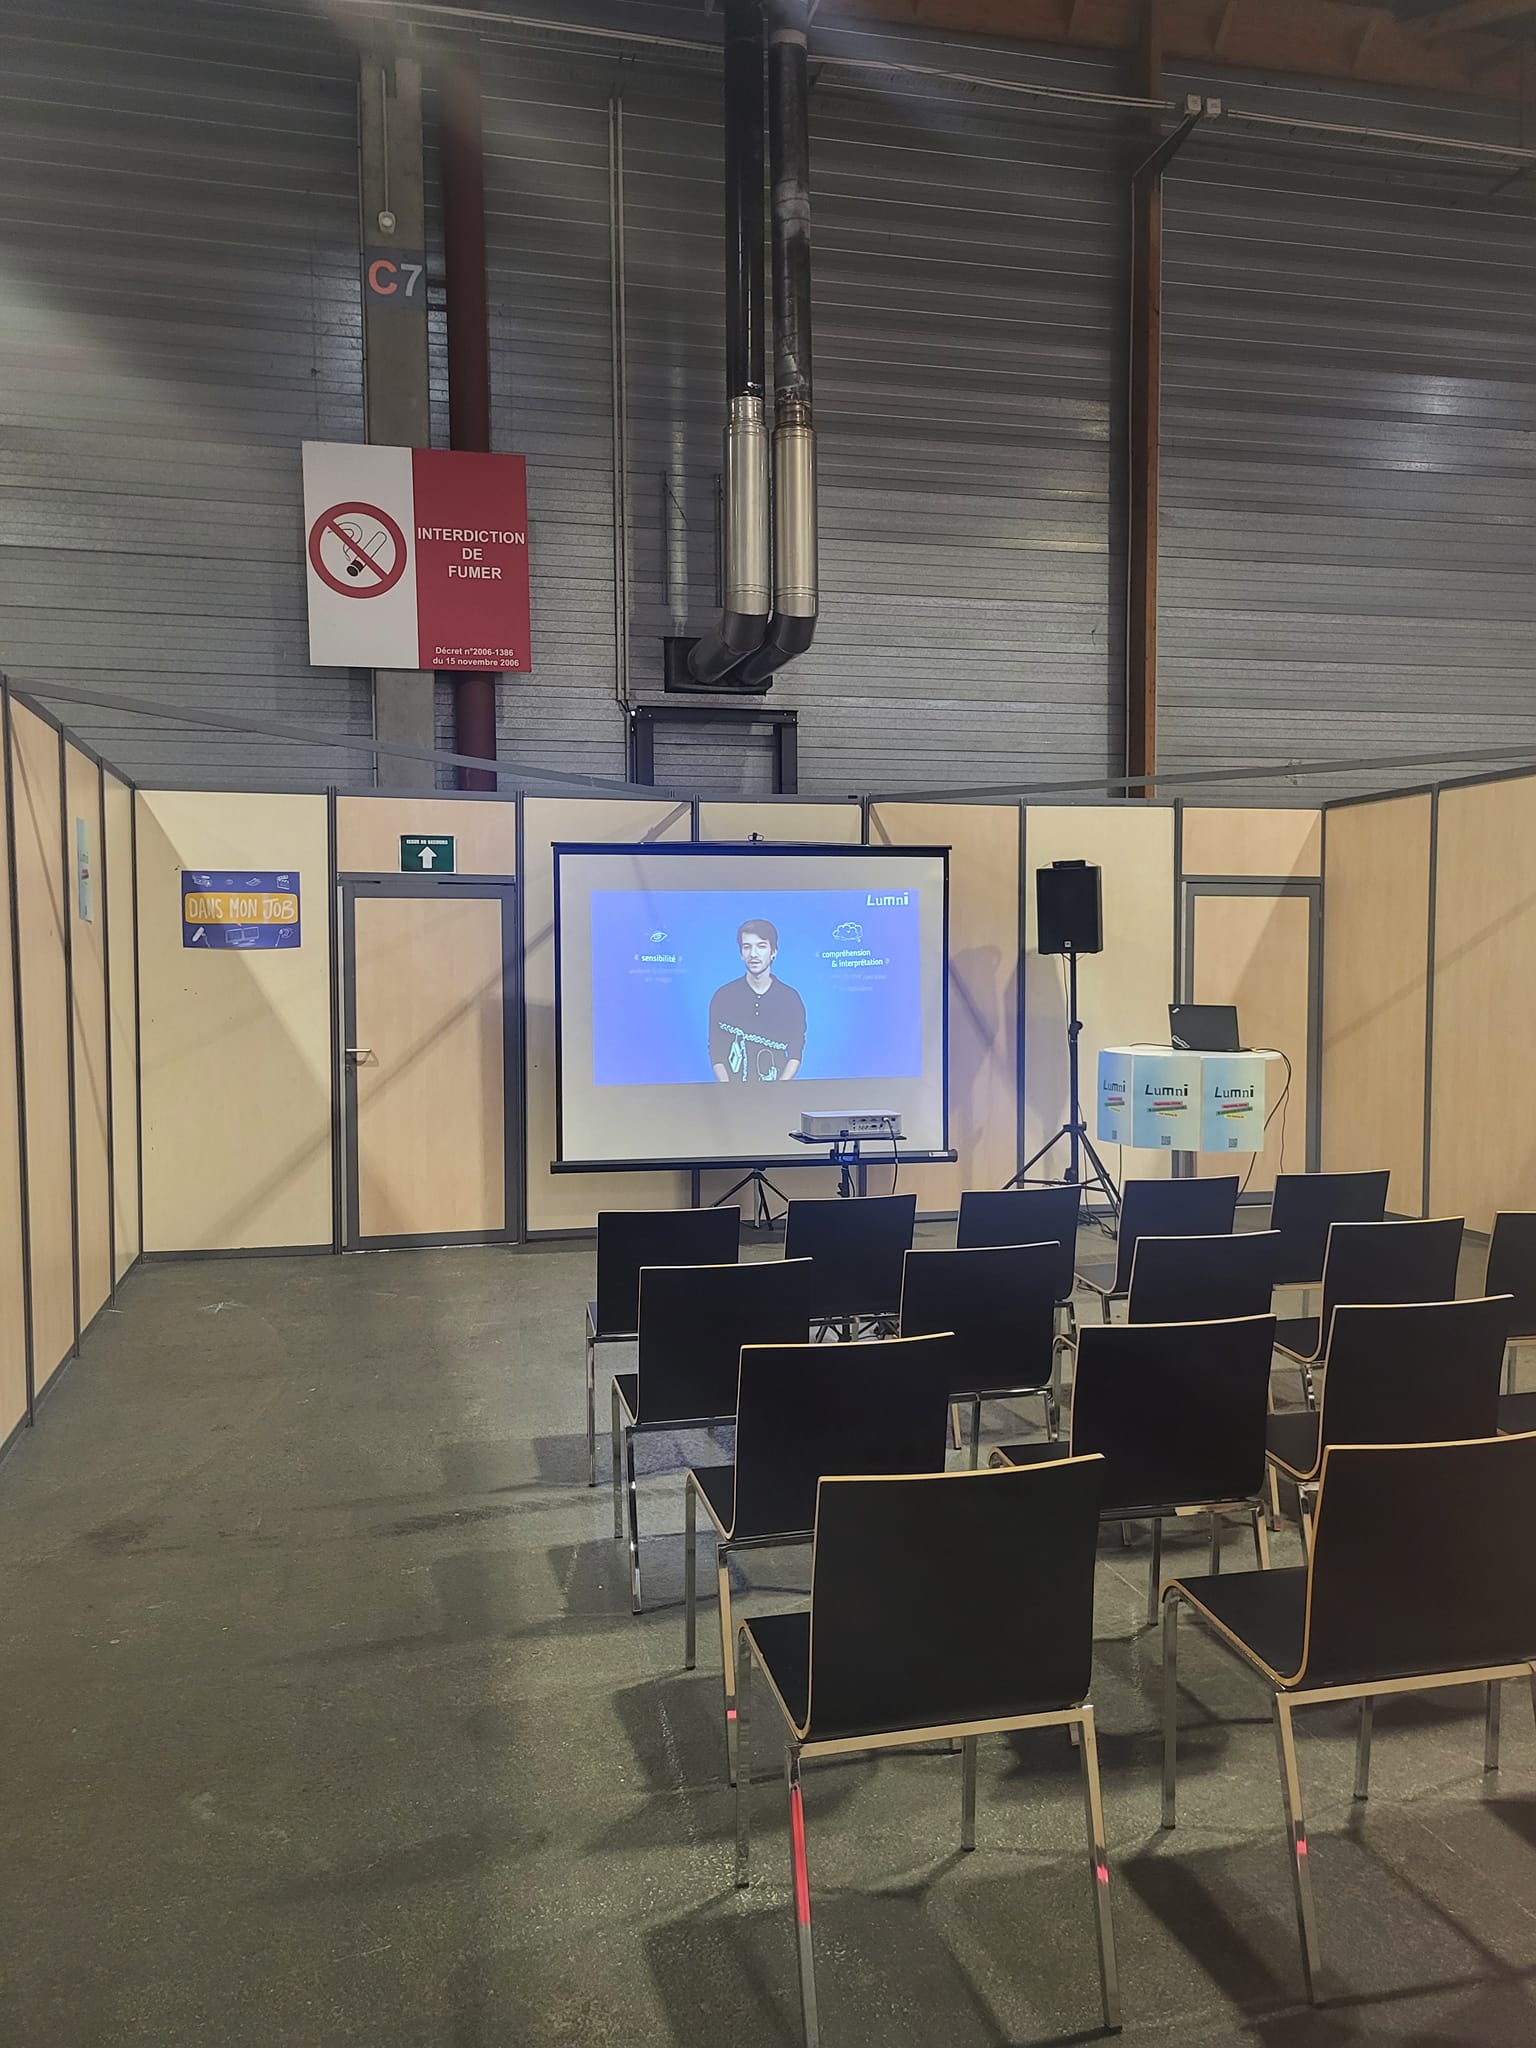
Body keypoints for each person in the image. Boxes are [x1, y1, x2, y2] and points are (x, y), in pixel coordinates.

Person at [708, 918, 806, 1082]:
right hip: (732, 1094)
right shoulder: (722, 997)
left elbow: (795, 1053)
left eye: (761, 946)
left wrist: (779, 1090)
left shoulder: (790, 999)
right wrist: (729, 1090)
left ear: (773, 952)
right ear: (741, 954)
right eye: (747, 947)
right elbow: (716, 1052)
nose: (753, 954)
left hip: (777, 1093)